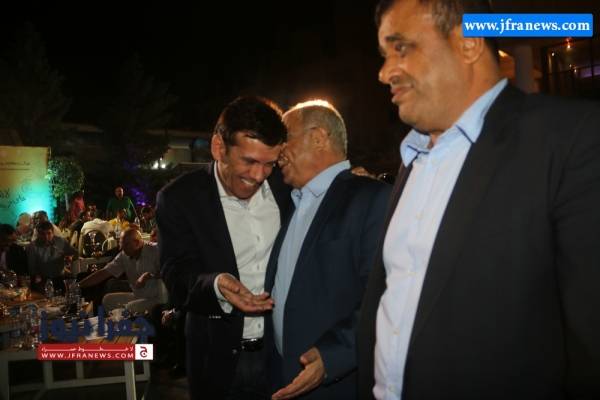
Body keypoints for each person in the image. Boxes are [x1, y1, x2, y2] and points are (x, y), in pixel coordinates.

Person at [357, 0, 600, 399]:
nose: (385, 73)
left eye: (401, 48)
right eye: (384, 55)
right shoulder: (412, 160)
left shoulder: (570, 139)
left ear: (468, 43)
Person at [156, 96, 291, 399]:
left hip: (280, 357)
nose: (259, 176)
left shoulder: (287, 186)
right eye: (249, 161)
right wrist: (216, 285)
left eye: (269, 163)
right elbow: (176, 277)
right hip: (217, 361)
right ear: (219, 147)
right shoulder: (179, 198)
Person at [266, 100, 390, 399]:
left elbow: (384, 297)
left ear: (319, 137)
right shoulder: (291, 203)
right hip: (283, 378)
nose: (277, 151)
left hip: (336, 384)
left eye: (285, 139)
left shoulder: (372, 199)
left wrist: (333, 356)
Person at [79, 228, 167, 314]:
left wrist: (148, 275)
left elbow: (168, 271)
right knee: (107, 300)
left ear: (136, 242)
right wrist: (79, 285)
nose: (121, 248)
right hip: (138, 296)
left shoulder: (154, 250)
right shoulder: (124, 255)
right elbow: (104, 273)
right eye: (121, 244)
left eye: (125, 245)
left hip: (157, 299)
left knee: (129, 308)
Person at [26, 221, 78, 292]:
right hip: (43, 280)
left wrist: (71, 258)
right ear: (38, 234)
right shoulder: (32, 247)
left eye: (49, 233)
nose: (46, 237)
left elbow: (75, 253)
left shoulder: (60, 242)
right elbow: (32, 270)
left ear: (53, 233)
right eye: (42, 234)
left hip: (60, 278)